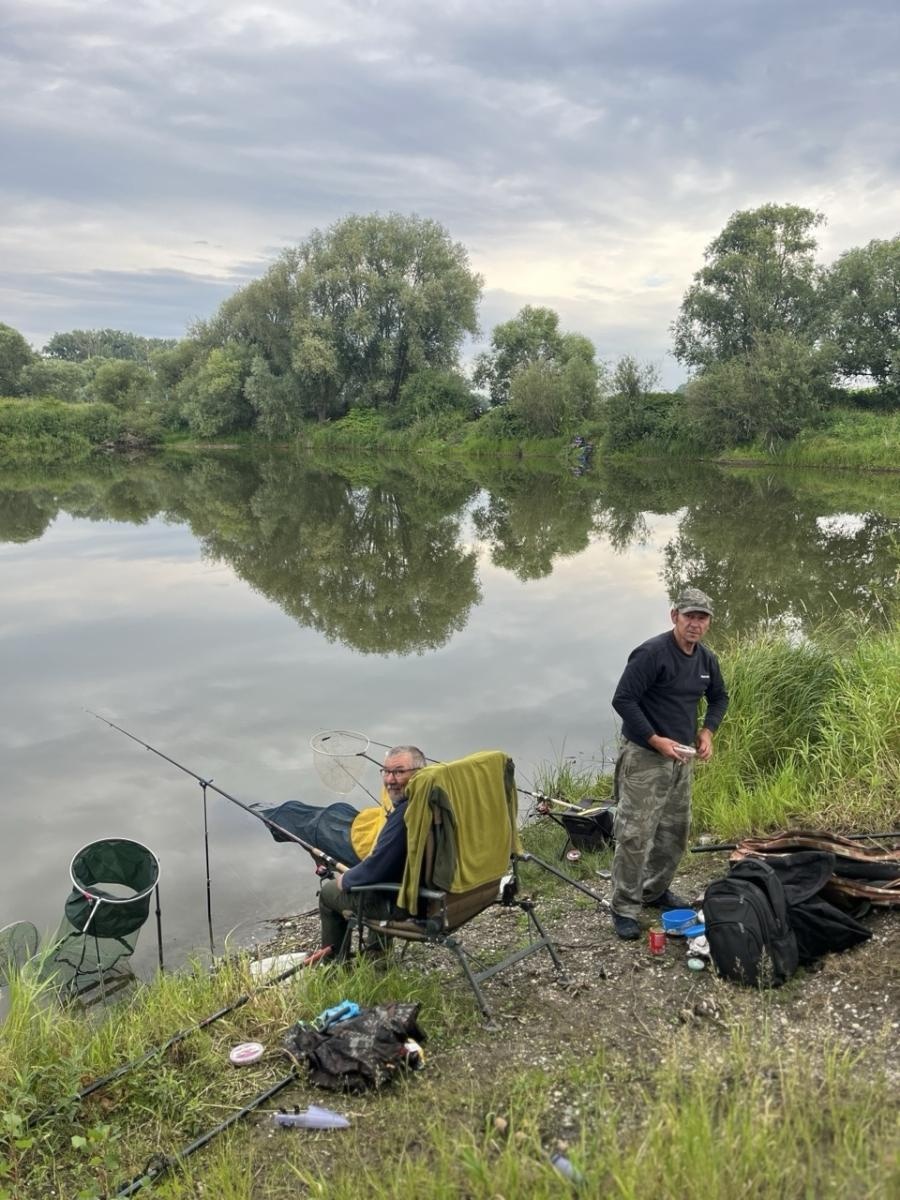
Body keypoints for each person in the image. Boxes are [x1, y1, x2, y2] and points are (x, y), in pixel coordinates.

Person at [609, 588, 729, 941]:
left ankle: (654, 890)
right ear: (674, 615)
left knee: (674, 833)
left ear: (708, 622)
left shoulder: (706, 659)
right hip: (645, 756)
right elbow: (623, 699)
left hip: (681, 759)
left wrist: (707, 731)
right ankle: (624, 908)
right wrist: (654, 739)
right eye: (689, 615)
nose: (695, 623)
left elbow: (719, 696)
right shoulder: (651, 653)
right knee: (635, 835)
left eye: (702, 617)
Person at [318, 745, 426, 959]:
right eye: (386, 771)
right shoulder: (432, 804)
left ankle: (333, 969)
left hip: (407, 907)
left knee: (329, 893)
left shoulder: (405, 814)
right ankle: (377, 955)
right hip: (440, 897)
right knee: (378, 880)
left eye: (399, 771)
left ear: (420, 774)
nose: (390, 780)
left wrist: (346, 879)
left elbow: (375, 869)